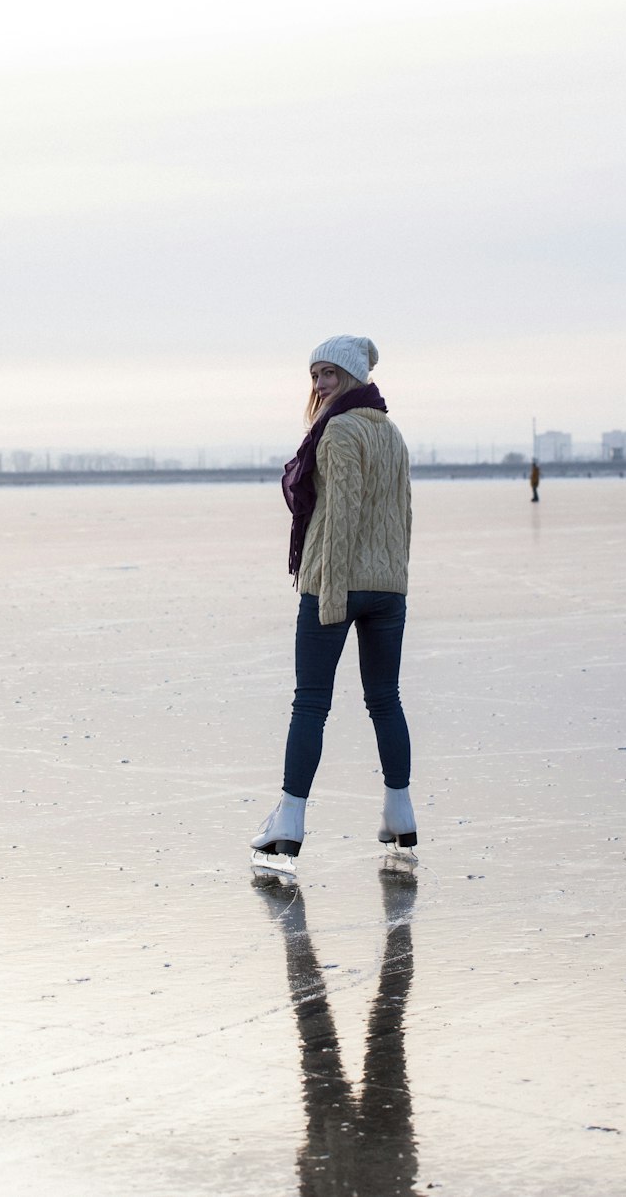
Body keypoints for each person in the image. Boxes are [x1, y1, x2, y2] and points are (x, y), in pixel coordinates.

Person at [251, 335, 416, 859]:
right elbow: (403, 515)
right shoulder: (391, 433)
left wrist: (332, 594)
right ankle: (400, 812)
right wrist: (396, 581)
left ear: (352, 378)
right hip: (388, 587)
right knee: (385, 700)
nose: (320, 384)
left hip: (336, 581)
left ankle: (290, 821)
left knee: (311, 703)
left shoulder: (339, 430)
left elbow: (341, 513)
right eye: (315, 375)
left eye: (329, 374)